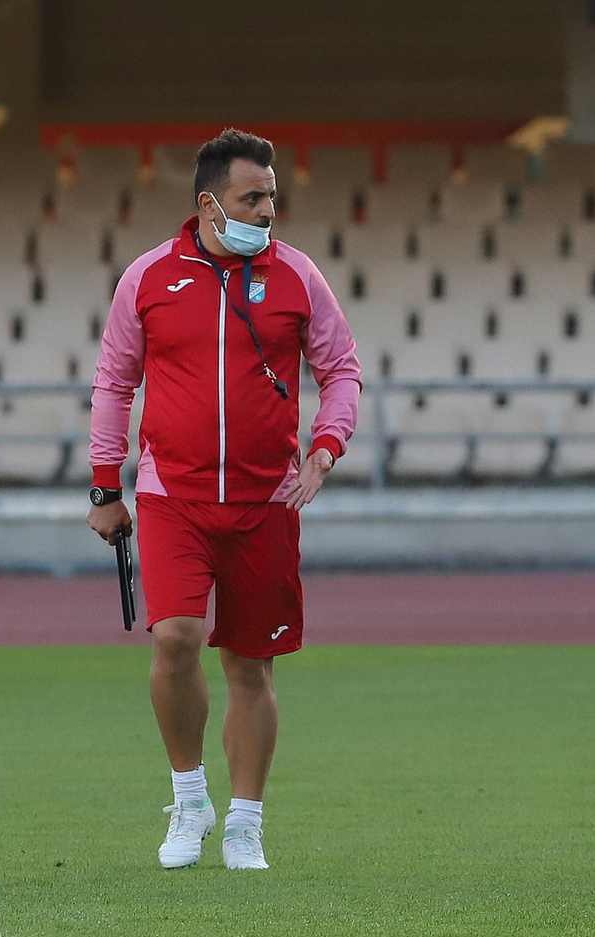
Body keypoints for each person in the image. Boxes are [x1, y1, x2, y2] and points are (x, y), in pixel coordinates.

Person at [85, 128, 362, 870]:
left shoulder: (299, 276)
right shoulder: (146, 278)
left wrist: (326, 448)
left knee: (250, 663)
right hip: (171, 494)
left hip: (266, 501)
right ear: (210, 203)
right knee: (173, 638)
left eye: (272, 196)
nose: (269, 209)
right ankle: (188, 795)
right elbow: (115, 383)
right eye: (253, 197)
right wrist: (105, 485)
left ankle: (245, 820)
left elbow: (342, 371)